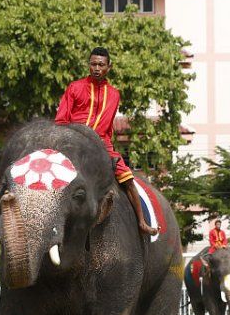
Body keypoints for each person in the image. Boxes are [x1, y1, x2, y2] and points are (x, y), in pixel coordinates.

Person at [55, 47, 157, 236]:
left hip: (102, 145)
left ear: (109, 67)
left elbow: (108, 127)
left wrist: (109, 150)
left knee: (127, 179)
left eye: (101, 65)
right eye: (93, 64)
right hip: (74, 142)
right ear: (89, 65)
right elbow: (61, 120)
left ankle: (142, 222)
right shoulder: (75, 87)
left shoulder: (114, 94)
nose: (96, 68)